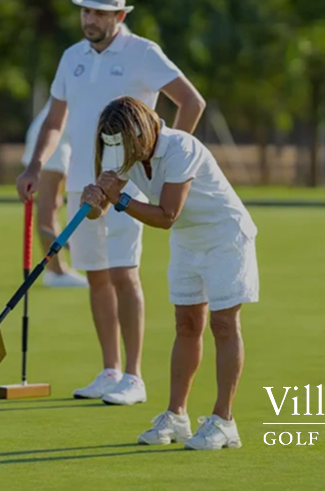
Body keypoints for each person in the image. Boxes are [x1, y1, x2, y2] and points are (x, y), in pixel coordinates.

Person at [16, 0, 205, 406]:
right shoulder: (72, 58)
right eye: (86, 10)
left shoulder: (143, 53)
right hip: (85, 185)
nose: (90, 19)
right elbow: (54, 122)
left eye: (100, 12)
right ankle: (109, 370)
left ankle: (134, 377)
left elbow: (192, 103)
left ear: (119, 16)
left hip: (126, 181)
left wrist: (163, 160)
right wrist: (34, 165)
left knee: (124, 273)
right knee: (97, 276)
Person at [80, 96, 259, 450]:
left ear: (141, 132)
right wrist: (93, 202)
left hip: (225, 237)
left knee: (222, 325)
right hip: (188, 242)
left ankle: (224, 421)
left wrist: (120, 200)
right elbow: (99, 209)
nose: (119, 150)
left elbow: (166, 216)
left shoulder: (181, 147)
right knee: (186, 325)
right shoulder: (126, 151)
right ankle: (176, 417)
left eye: (123, 142)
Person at [20, 97, 88, 288]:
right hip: (50, 142)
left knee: (54, 204)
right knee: (48, 206)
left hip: (57, 140)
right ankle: (55, 272)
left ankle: (56, 269)